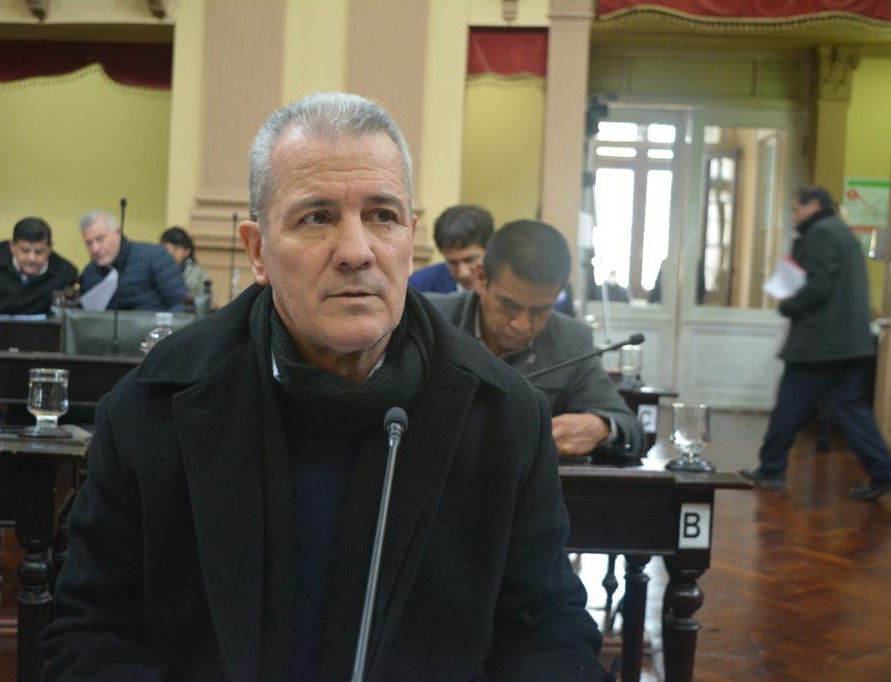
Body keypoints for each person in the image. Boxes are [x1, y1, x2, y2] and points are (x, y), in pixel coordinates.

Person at [43, 93, 605, 680]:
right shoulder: (150, 407)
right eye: (316, 217)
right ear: (258, 251)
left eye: (383, 216)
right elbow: (93, 630)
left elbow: (548, 634)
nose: (357, 252)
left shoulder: (504, 416)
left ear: (409, 238)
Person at [427, 219, 643, 458]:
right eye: (509, 305)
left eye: (540, 310)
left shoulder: (572, 340)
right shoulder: (430, 320)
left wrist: (601, 428)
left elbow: (630, 428)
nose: (522, 324)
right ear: (481, 278)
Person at [741, 186, 891, 500]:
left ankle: (771, 468)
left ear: (814, 205)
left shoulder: (820, 233)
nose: (794, 216)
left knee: (789, 406)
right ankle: (883, 473)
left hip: (819, 344)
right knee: (852, 411)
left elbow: (818, 285)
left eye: (797, 209)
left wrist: (788, 305)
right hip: (848, 344)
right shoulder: (843, 233)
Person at [0, 216, 78, 315]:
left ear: (50, 249)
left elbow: (63, 321)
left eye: (39, 252)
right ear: (12, 247)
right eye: (25, 250)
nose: (32, 258)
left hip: (38, 335)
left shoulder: (65, 274)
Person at [77, 210, 186, 311]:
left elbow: (181, 305)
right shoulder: (89, 274)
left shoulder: (155, 258)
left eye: (100, 239)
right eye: (89, 243)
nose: (95, 248)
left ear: (118, 232)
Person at [408, 204, 493, 293]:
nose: (463, 273)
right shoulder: (419, 287)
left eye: (470, 260)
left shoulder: (502, 285)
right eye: (452, 263)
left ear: (489, 250)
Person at [160, 225, 210, 300]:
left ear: (187, 251)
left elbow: (200, 299)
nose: (171, 253)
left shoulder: (196, 273)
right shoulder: (157, 270)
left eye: (175, 248)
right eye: (166, 249)